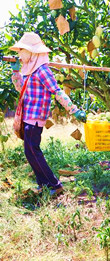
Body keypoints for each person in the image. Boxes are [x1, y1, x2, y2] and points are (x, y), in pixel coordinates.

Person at [9, 32, 86, 196]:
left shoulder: (43, 71)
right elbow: (20, 89)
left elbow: (57, 92)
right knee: (29, 152)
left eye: (22, 50)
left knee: (32, 150)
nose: (19, 54)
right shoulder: (29, 71)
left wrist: (74, 110)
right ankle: (43, 184)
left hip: (36, 118)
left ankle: (54, 184)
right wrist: (16, 73)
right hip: (28, 116)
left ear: (32, 52)